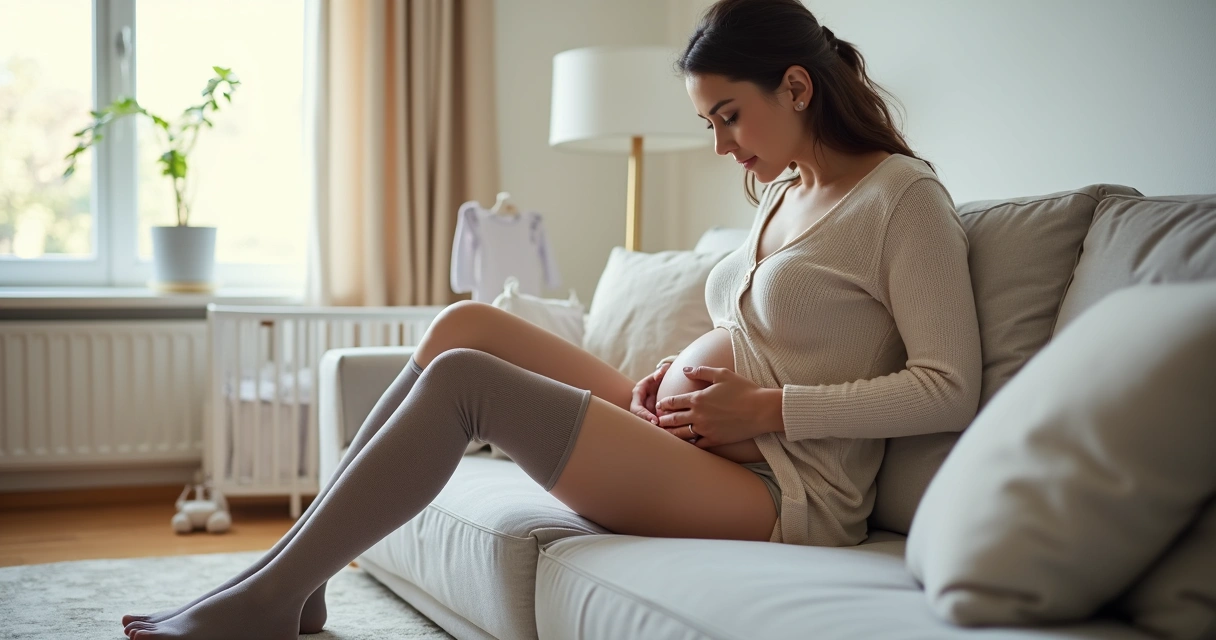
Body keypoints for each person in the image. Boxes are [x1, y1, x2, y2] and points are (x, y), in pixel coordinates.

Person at [121, 0, 981, 637]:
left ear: (796, 86)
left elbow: (949, 388)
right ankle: (290, 579)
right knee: (467, 328)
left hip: (782, 490)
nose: (721, 145)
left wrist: (765, 410)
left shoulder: (903, 200)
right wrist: (669, 376)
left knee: (466, 383)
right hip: (696, 437)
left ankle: (267, 603)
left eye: (727, 115)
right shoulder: (786, 189)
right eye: (706, 121)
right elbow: (765, 330)